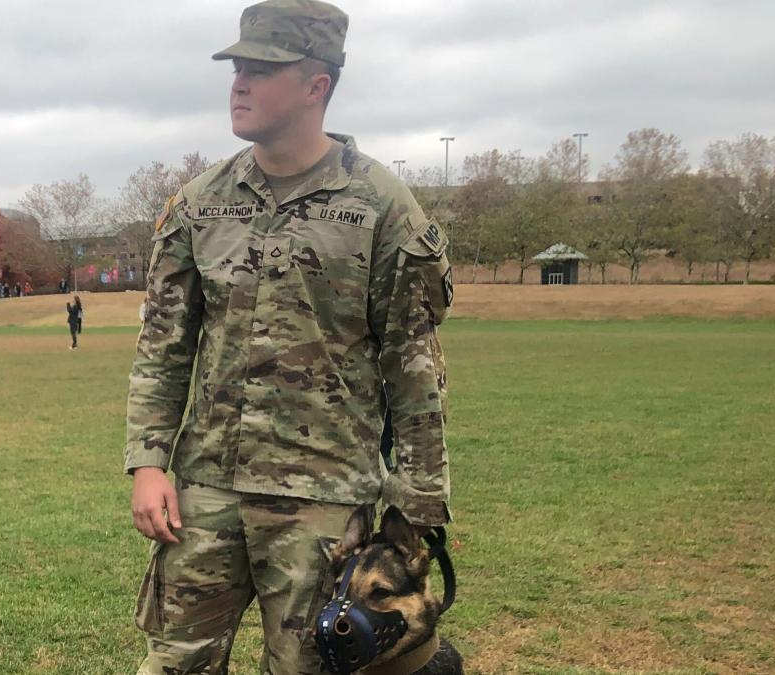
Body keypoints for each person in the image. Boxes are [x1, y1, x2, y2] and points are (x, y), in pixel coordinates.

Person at [123, 2, 454, 673]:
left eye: (262, 69)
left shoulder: (380, 208)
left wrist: (417, 504)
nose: (239, 83)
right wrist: (149, 461)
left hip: (325, 505)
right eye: (238, 67)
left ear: (316, 86)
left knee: (308, 665)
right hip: (206, 488)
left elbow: (412, 363)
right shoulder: (199, 203)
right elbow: (164, 345)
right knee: (174, 661)